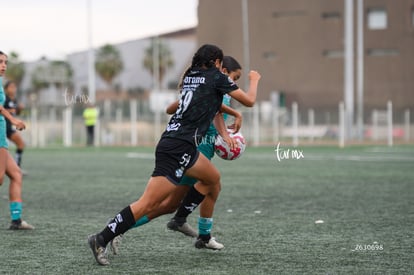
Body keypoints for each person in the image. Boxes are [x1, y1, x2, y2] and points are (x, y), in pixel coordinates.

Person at [88, 44, 260, 266]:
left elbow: (205, 103)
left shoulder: (192, 76)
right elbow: (250, 101)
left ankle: (180, 219)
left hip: (182, 144)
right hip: (177, 146)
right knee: (149, 203)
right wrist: (254, 80)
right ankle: (101, 238)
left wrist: (232, 114)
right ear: (217, 63)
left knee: (212, 179)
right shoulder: (216, 77)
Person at [0, 51, 34, 230]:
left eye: (5, 62)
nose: (3, 65)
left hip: (2, 133)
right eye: (0, 62)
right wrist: (13, 120)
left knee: (15, 174)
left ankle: (16, 220)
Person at [3, 81, 26, 169]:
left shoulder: (14, 100)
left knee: (20, 144)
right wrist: (9, 111)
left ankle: (17, 167)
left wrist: (19, 109)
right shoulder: (4, 98)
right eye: (11, 87)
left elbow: (16, 112)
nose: (13, 89)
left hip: (9, 126)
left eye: (14, 87)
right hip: (3, 125)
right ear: (6, 89)